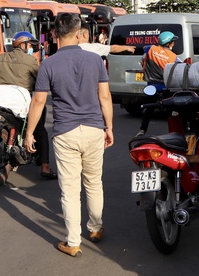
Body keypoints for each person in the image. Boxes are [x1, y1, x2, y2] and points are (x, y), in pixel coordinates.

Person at [23, 13, 114, 257]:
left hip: (65, 133)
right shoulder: (95, 60)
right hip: (94, 129)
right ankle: (95, 228)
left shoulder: (48, 64)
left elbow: (38, 102)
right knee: (94, 182)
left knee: (70, 190)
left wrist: (29, 133)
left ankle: (73, 242)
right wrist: (109, 127)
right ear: (79, 33)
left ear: (55, 33)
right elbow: (105, 97)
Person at [0, 31, 57, 179]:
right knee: (40, 130)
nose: (31, 48)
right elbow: (40, 81)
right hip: (22, 103)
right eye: (30, 45)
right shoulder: (30, 61)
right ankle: (45, 167)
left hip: (0, 103)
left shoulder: (0, 58)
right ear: (22, 45)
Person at [137, 31, 180, 136]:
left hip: (151, 86)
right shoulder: (173, 57)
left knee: (149, 109)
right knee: (172, 110)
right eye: (173, 42)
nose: (174, 44)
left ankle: (143, 130)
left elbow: (144, 50)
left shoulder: (151, 49)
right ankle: (174, 132)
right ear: (168, 43)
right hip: (165, 87)